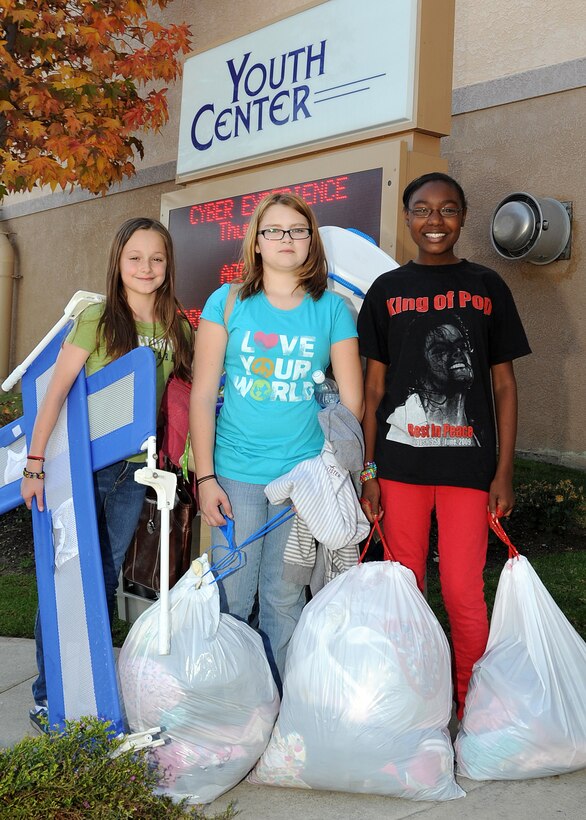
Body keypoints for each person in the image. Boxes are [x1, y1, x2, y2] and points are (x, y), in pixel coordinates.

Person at [357, 172, 531, 721]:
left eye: (448, 209)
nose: (435, 221)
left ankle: (472, 706)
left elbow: (503, 385)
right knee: (405, 590)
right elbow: (375, 390)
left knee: (462, 592)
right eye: (423, 210)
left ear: (463, 217)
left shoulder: (487, 286)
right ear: (406, 217)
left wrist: (503, 470)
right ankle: (414, 708)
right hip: (400, 465)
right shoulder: (386, 292)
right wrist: (368, 470)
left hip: (468, 468)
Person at [21, 217, 194, 730]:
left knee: (100, 578)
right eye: (135, 257)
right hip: (81, 468)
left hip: (135, 473)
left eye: (156, 258)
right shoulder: (99, 316)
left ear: (168, 265)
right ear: (118, 262)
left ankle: (89, 680)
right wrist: (35, 463)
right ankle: (48, 692)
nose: (146, 267)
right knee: (67, 577)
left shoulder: (177, 327)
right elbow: (55, 392)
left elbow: (181, 399)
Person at [190, 192, 364, 690]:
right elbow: (203, 396)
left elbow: (352, 405)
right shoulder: (225, 303)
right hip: (237, 473)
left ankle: (281, 709)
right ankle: (230, 706)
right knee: (232, 595)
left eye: (298, 230)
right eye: (275, 231)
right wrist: (205, 477)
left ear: (311, 241)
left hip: (302, 481)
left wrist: (336, 472)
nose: (287, 239)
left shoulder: (333, 308)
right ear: (257, 243)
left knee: (284, 598)